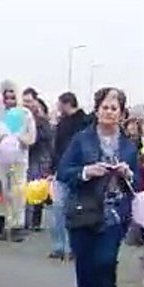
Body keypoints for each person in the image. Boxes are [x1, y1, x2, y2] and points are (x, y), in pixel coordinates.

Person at [55, 87, 140, 287]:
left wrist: (128, 173)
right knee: (86, 267)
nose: (109, 112)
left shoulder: (128, 146)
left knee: (105, 263)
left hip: (114, 215)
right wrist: (86, 171)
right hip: (83, 212)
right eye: (105, 107)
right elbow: (63, 171)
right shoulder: (82, 140)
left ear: (122, 114)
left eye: (114, 108)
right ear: (97, 110)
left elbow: (137, 180)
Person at [0, 80, 37, 243]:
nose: (10, 101)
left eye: (13, 98)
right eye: (7, 98)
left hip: (19, 159)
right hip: (0, 158)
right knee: (2, 191)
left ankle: (17, 225)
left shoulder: (25, 114)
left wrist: (22, 140)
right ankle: (4, 223)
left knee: (18, 191)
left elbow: (32, 136)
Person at [50, 92, 91, 259]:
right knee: (59, 208)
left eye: (59, 104)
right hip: (62, 169)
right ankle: (60, 246)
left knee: (70, 209)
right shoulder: (63, 123)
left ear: (67, 104)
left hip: (76, 170)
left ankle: (69, 246)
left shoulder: (84, 122)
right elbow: (57, 147)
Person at [22, 88, 55, 232]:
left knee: (34, 186)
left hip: (38, 156)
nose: (27, 104)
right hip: (22, 156)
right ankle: (24, 220)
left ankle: (33, 220)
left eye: (29, 101)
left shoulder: (41, 119)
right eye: (24, 101)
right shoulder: (19, 117)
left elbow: (46, 137)